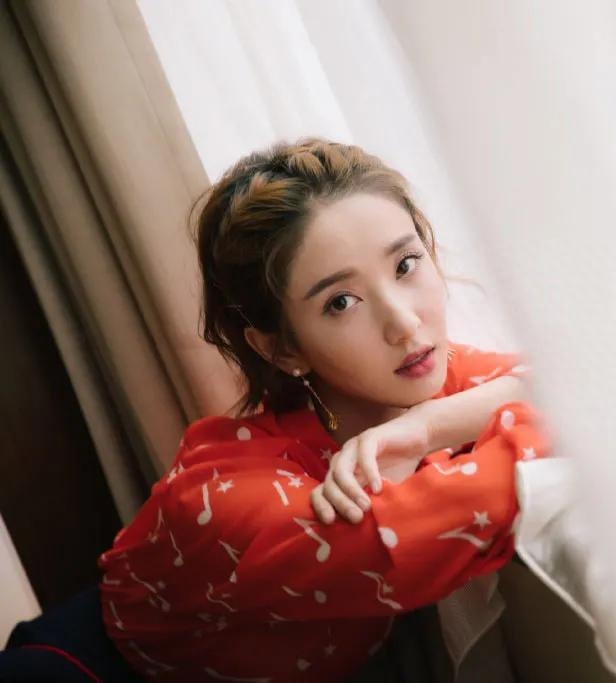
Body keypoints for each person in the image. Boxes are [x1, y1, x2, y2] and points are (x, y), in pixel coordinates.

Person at [97, 138, 549, 681]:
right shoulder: (223, 500)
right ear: (281, 349)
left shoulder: (423, 377)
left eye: (406, 264)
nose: (404, 323)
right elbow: (473, 503)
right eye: (341, 302)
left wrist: (427, 425)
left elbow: (576, 387)